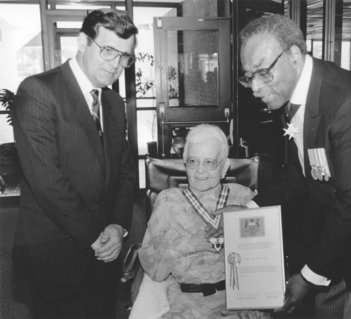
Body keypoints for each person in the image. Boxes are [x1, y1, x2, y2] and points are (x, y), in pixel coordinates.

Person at [236, 14, 351, 319]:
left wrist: (309, 276)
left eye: (263, 73)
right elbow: (304, 169)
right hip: (335, 251)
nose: (255, 88)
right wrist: (251, 207)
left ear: (294, 56)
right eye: (248, 76)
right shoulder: (296, 95)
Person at [12, 9, 137, 319]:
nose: (116, 65)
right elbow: (47, 181)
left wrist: (118, 226)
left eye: (125, 57)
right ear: (83, 42)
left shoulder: (113, 102)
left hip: (106, 247)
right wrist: (95, 236)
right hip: (56, 249)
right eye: (109, 51)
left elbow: (124, 170)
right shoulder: (38, 91)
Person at [138, 124, 265, 319]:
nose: (200, 171)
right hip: (183, 305)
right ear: (184, 164)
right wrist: (190, 244)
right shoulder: (168, 201)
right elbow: (154, 270)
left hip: (236, 303)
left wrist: (254, 301)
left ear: (224, 167)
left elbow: (263, 259)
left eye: (209, 162)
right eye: (193, 161)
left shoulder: (243, 198)